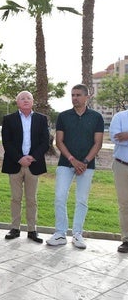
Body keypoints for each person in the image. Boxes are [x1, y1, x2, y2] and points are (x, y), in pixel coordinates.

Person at [47, 84, 104, 249]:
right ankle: (60, 233)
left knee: (81, 200)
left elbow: (98, 143)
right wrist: (72, 160)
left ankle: (77, 234)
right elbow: (59, 141)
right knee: (59, 196)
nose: (75, 98)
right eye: (72, 95)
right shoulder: (63, 116)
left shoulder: (96, 117)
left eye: (78, 95)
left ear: (87, 97)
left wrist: (84, 162)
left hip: (87, 165)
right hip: (66, 163)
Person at [1, 91, 49, 243]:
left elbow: (45, 142)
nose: (25, 100)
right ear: (17, 103)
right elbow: (6, 142)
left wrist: (32, 157)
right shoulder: (9, 119)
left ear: (32, 101)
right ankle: (15, 228)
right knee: (16, 198)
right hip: (15, 164)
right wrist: (19, 158)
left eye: (28, 98)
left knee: (31, 199)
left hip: (33, 164)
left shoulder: (41, 119)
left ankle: (32, 230)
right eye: (22, 98)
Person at [110, 108, 128, 253]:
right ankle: (126, 239)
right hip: (122, 165)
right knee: (124, 204)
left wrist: (127, 135)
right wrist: (122, 137)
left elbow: (123, 139)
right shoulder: (120, 117)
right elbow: (115, 138)